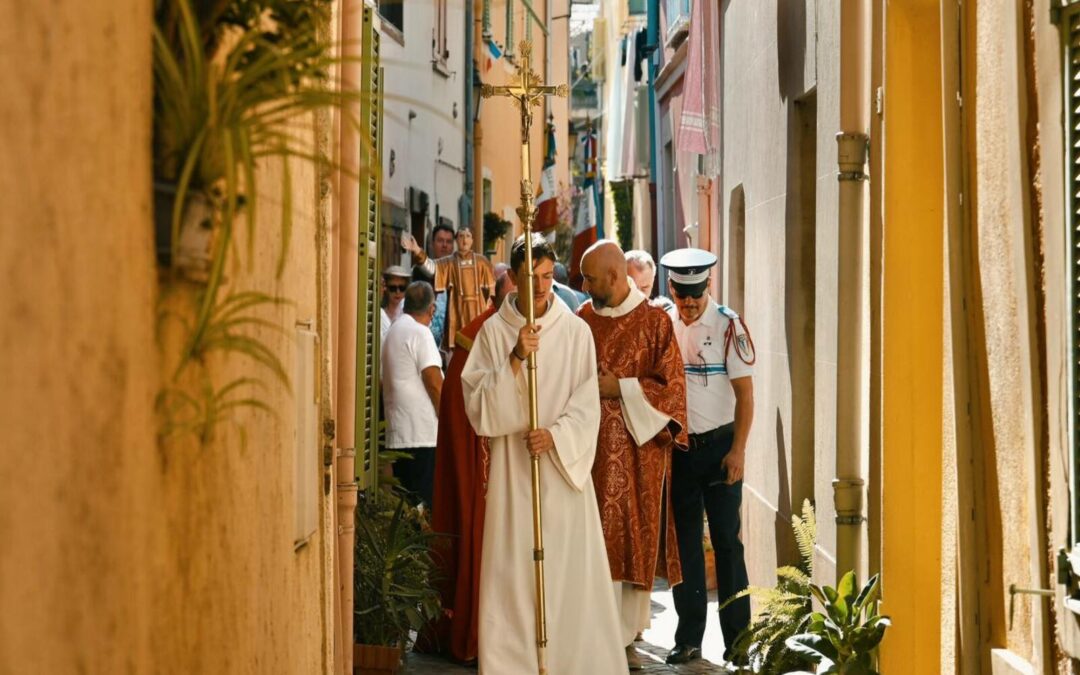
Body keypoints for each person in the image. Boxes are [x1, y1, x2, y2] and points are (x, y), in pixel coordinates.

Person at [460, 234, 623, 674]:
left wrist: (554, 435)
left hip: (561, 477)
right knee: (513, 580)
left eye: (548, 277)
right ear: (512, 278)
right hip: (516, 477)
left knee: (568, 579)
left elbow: (587, 406)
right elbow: (478, 410)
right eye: (530, 278)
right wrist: (515, 357)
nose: (541, 287)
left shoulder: (576, 333)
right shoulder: (495, 334)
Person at [577, 240, 689, 671]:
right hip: (584, 452)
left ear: (613, 276)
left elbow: (673, 391)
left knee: (627, 535)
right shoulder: (582, 319)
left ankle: (624, 637)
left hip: (639, 454)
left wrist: (619, 387)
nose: (583, 285)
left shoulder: (654, 322)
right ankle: (588, 630)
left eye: (589, 278)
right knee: (589, 537)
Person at [658, 248, 755, 666]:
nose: (690, 303)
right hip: (680, 451)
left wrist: (738, 451)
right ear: (671, 290)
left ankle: (738, 643)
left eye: (696, 293)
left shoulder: (729, 325)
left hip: (719, 450)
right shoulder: (664, 323)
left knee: (727, 545)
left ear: (708, 286)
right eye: (682, 294)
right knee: (685, 547)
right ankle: (689, 638)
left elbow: (746, 395)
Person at [429, 266, 515, 664]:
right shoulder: (475, 337)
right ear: (496, 299)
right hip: (485, 467)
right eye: (514, 295)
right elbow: (462, 411)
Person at [381, 281, 444, 509]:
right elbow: (434, 384)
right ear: (432, 309)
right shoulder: (420, 333)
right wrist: (448, 424)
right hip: (422, 436)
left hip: (400, 433)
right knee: (422, 507)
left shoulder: (394, 329)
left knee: (405, 507)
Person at [403, 226, 495, 351]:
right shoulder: (449, 263)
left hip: (478, 324)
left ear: (472, 240)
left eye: (468, 236)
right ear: (457, 240)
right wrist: (417, 250)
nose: (464, 240)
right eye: (461, 236)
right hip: (452, 323)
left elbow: (492, 293)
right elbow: (431, 268)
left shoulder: (482, 262)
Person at [380, 265, 412, 342]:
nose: (397, 292)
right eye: (393, 288)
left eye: (402, 288)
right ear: (386, 289)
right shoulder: (380, 313)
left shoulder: (410, 314)